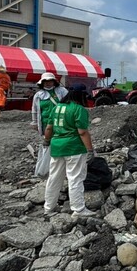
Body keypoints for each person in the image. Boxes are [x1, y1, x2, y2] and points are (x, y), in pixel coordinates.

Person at [43, 83, 97, 218]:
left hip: (57, 147)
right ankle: (78, 209)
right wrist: (90, 150)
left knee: (54, 178)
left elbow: (49, 128)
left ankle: (48, 207)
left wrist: (46, 141)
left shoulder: (56, 108)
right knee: (75, 178)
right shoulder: (79, 109)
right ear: (81, 96)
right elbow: (83, 132)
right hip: (74, 148)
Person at [31, 72, 69, 137]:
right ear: (42, 83)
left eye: (49, 81)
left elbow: (69, 104)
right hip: (45, 122)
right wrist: (34, 122)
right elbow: (34, 109)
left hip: (60, 120)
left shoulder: (62, 91)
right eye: (45, 81)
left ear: (54, 81)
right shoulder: (38, 95)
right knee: (48, 139)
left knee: (60, 138)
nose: (47, 83)